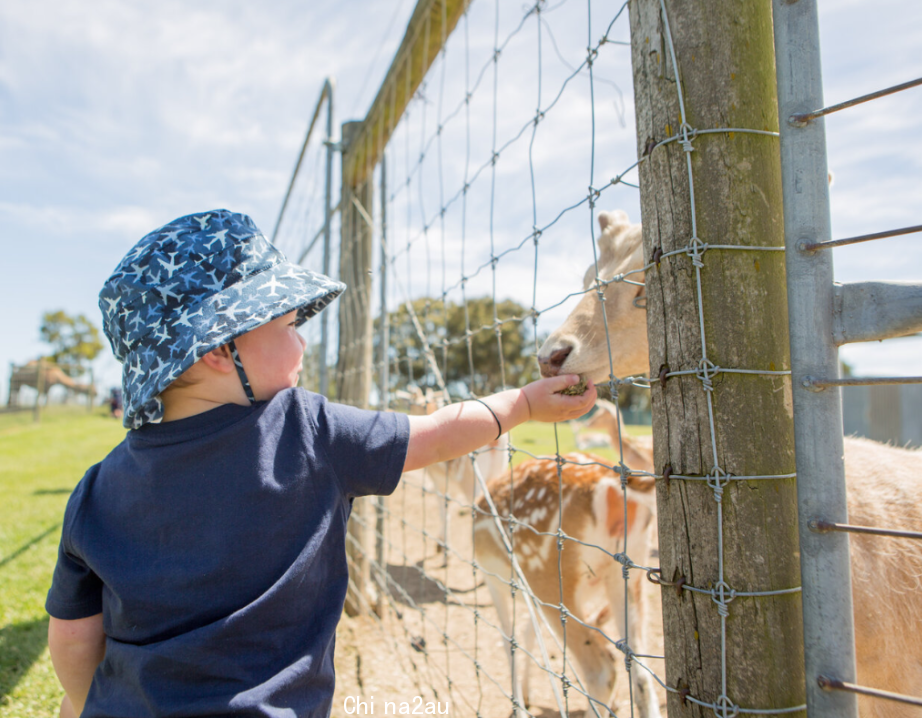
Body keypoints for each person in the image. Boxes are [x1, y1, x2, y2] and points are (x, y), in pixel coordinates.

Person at [44, 210, 596, 718]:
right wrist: (521, 404)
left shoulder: (95, 490)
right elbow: (437, 433)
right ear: (219, 349)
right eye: (287, 325)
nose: (303, 341)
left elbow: (72, 638)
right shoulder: (309, 429)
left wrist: (79, 705)